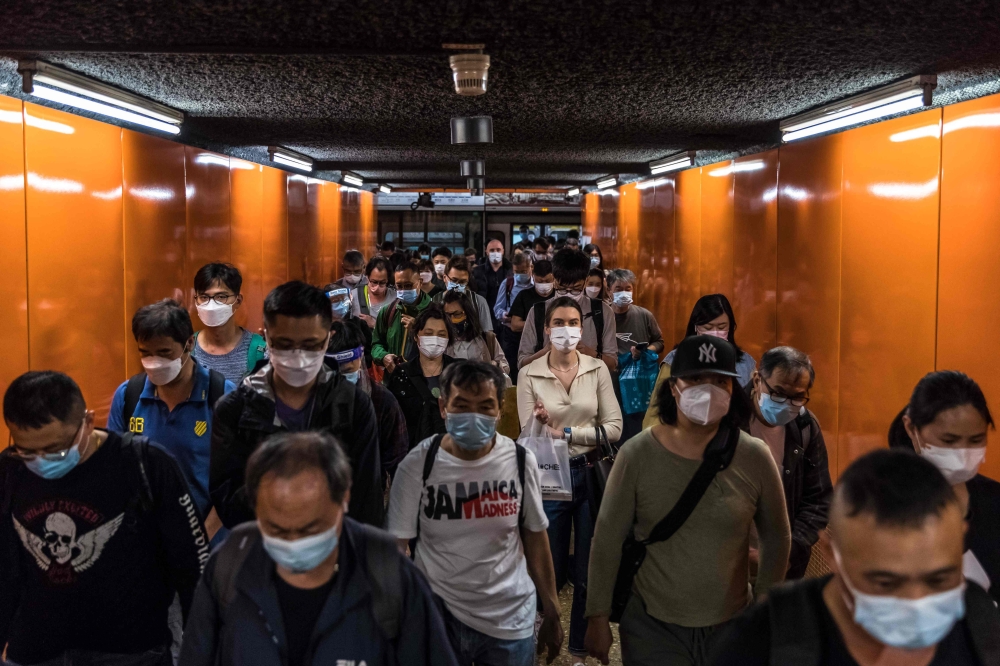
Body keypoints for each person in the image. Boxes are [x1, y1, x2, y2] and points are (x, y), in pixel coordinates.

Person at [586, 335, 790, 666]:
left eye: (719, 381)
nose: (707, 390)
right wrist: (597, 615)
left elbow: (778, 535)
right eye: (695, 379)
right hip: (652, 627)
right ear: (673, 387)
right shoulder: (637, 454)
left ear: (732, 388)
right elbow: (607, 537)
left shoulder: (754, 456)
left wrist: (764, 608)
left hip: (731, 627)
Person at [181, 431, 457, 666]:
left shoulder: (390, 577)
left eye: (310, 529)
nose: (293, 542)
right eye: (276, 529)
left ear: (344, 498)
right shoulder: (230, 567)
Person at [708, 449, 1000, 666]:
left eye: (939, 578)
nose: (915, 602)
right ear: (832, 553)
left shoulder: (979, 624)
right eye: (885, 582)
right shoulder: (764, 639)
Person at [1, 371, 209, 666]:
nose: (41, 461)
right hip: (36, 649)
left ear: (87, 421)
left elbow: (193, 568)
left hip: (128, 652)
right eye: (27, 451)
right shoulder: (11, 471)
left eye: (55, 450)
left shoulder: (144, 465)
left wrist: (201, 651)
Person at [387, 361, 563, 666]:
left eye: (485, 406)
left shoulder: (521, 461)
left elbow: (535, 535)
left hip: (509, 622)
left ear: (500, 408)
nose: (473, 416)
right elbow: (395, 547)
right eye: (461, 405)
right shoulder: (418, 465)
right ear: (443, 407)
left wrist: (553, 610)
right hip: (438, 620)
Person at [209, 281, 384, 529]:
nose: (298, 356)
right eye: (285, 344)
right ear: (267, 337)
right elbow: (228, 505)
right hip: (263, 551)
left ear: (327, 339)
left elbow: (367, 505)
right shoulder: (235, 410)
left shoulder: (353, 406)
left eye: (310, 346)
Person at [516, 296, 623, 664]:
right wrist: (541, 425)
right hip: (548, 476)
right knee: (549, 566)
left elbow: (615, 427)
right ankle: (541, 639)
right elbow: (526, 434)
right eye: (558, 323)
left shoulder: (596, 369)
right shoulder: (529, 373)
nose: (566, 329)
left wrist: (567, 434)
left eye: (573, 322)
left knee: (587, 569)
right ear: (546, 330)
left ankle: (578, 650)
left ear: (582, 327)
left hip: (590, 472)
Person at [108, 299, 235, 542]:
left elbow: (235, 481)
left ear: (188, 344)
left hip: (210, 543)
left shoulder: (222, 395)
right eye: (145, 353)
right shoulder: (128, 397)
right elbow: (116, 472)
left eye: (165, 353)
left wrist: (200, 541)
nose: (154, 362)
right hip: (148, 544)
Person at [889, 370, 1000, 602]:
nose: (962, 454)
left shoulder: (994, 501)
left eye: (976, 440)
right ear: (912, 429)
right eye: (949, 441)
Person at [744, 346, 832, 580]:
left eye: (797, 396)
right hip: (729, 567)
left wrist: (786, 553)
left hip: (784, 569)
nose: (786, 403)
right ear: (757, 380)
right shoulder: (727, 421)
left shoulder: (805, 427)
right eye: (778, 393)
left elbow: (818, 499)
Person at [644, 294, 757, 428]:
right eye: (708, 328)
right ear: (696, 327)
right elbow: (656, 413)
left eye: (721, 327)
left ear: (731, 327)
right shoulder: (675, 359)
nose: (715, 332)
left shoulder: (746, 362)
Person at [328, 320, 409, 486]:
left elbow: (398, 462)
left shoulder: (382, 401)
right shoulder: (312, 400)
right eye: (335, 372)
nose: (341, 380)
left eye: (347, 372)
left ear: (360, 359)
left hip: (368, 495)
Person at [518, 249, 618, 374]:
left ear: (586, 282)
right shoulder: (538, 312)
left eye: (576, 289)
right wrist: (546, 351)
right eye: (562, 289)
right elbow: (522, 364)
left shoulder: (602, 312)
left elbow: (612, 363)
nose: (569, 295)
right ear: (554, 281)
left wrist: (588, 352)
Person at [606, 269, 665, 441]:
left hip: (637, 382)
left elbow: (659, 342)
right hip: (610, 379)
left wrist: (645, 351)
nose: (623, 293)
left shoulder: (644, 315)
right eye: (618, 288)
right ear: (609, 290)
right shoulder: (604, 316)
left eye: (628, 288)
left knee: (636, 425)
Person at [387, 306, 456, 451]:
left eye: (442, 334)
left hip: (454, 455)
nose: (435, 339)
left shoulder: (460, 372)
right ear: (416, 336)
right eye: (428, 333)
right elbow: (392, 421)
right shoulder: (401, 374)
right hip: (412, 455)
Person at [191, 263, 268, 384]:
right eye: (204, 297)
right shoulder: (186, 349)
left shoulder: (262, 350)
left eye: (221, 297)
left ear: (238, 301)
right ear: (195, 300)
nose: (212, 305)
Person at [372, 259, 435, 375]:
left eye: (408, 285)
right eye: (399, 286)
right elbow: (376, 343)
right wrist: (383, 356)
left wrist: (418, 332)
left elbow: (443, 348)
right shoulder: (388, 311)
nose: (403, 290)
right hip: (393, 380)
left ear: (420, 282)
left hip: (425, 380)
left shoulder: (435, 312)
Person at [442, 291, 510, 378]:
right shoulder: (443, 341)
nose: (452, 320)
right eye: (447, 315)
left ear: (467, 314)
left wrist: (493, 365)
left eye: (457, 314)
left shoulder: (486, 338)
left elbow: (505, 367)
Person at [494, 253, 535, 383]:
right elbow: (497, 308)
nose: (520, 275)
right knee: (512, 366)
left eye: (523, 271)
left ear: (531, 267)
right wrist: (503, 315)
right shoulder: (508, 284)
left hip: (530, 334)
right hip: (511, 334)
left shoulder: (536, 286)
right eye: (517, 271)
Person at [433, 256, 494, 334]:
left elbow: (488, 334)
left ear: (468, 280)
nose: (457, 285)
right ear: (445, 277)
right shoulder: (436, 301)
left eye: (462, 282)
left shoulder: (478, 302)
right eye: (454, 280)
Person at [473, 238, 512, 333]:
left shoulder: (511, 272)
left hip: (505, 320)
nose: (495, 253)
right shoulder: (477, 272)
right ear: (486, 252)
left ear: (503, 251)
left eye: (498, 250)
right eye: (492, 250)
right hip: (485, 318)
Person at [352, 256, 397, 329]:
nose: (377, 288)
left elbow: (396, 332)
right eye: (374, 282)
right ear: (367, 277)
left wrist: (374, 324)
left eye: (382, 283)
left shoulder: (395, 300)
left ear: (388, 280)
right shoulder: (354, 295)